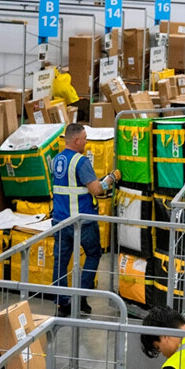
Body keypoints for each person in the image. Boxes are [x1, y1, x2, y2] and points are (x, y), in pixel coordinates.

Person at [52, 124, 118, 317]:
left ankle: (63, 302)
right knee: (93, 254)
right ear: (76, 140)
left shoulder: (56, 160)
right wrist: (111, 178)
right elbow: (96, 189)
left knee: (60, 262)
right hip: (82, 221)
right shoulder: (81, 162)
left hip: (60, 220)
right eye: (85, 137)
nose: (87, 141)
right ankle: (80, 297)